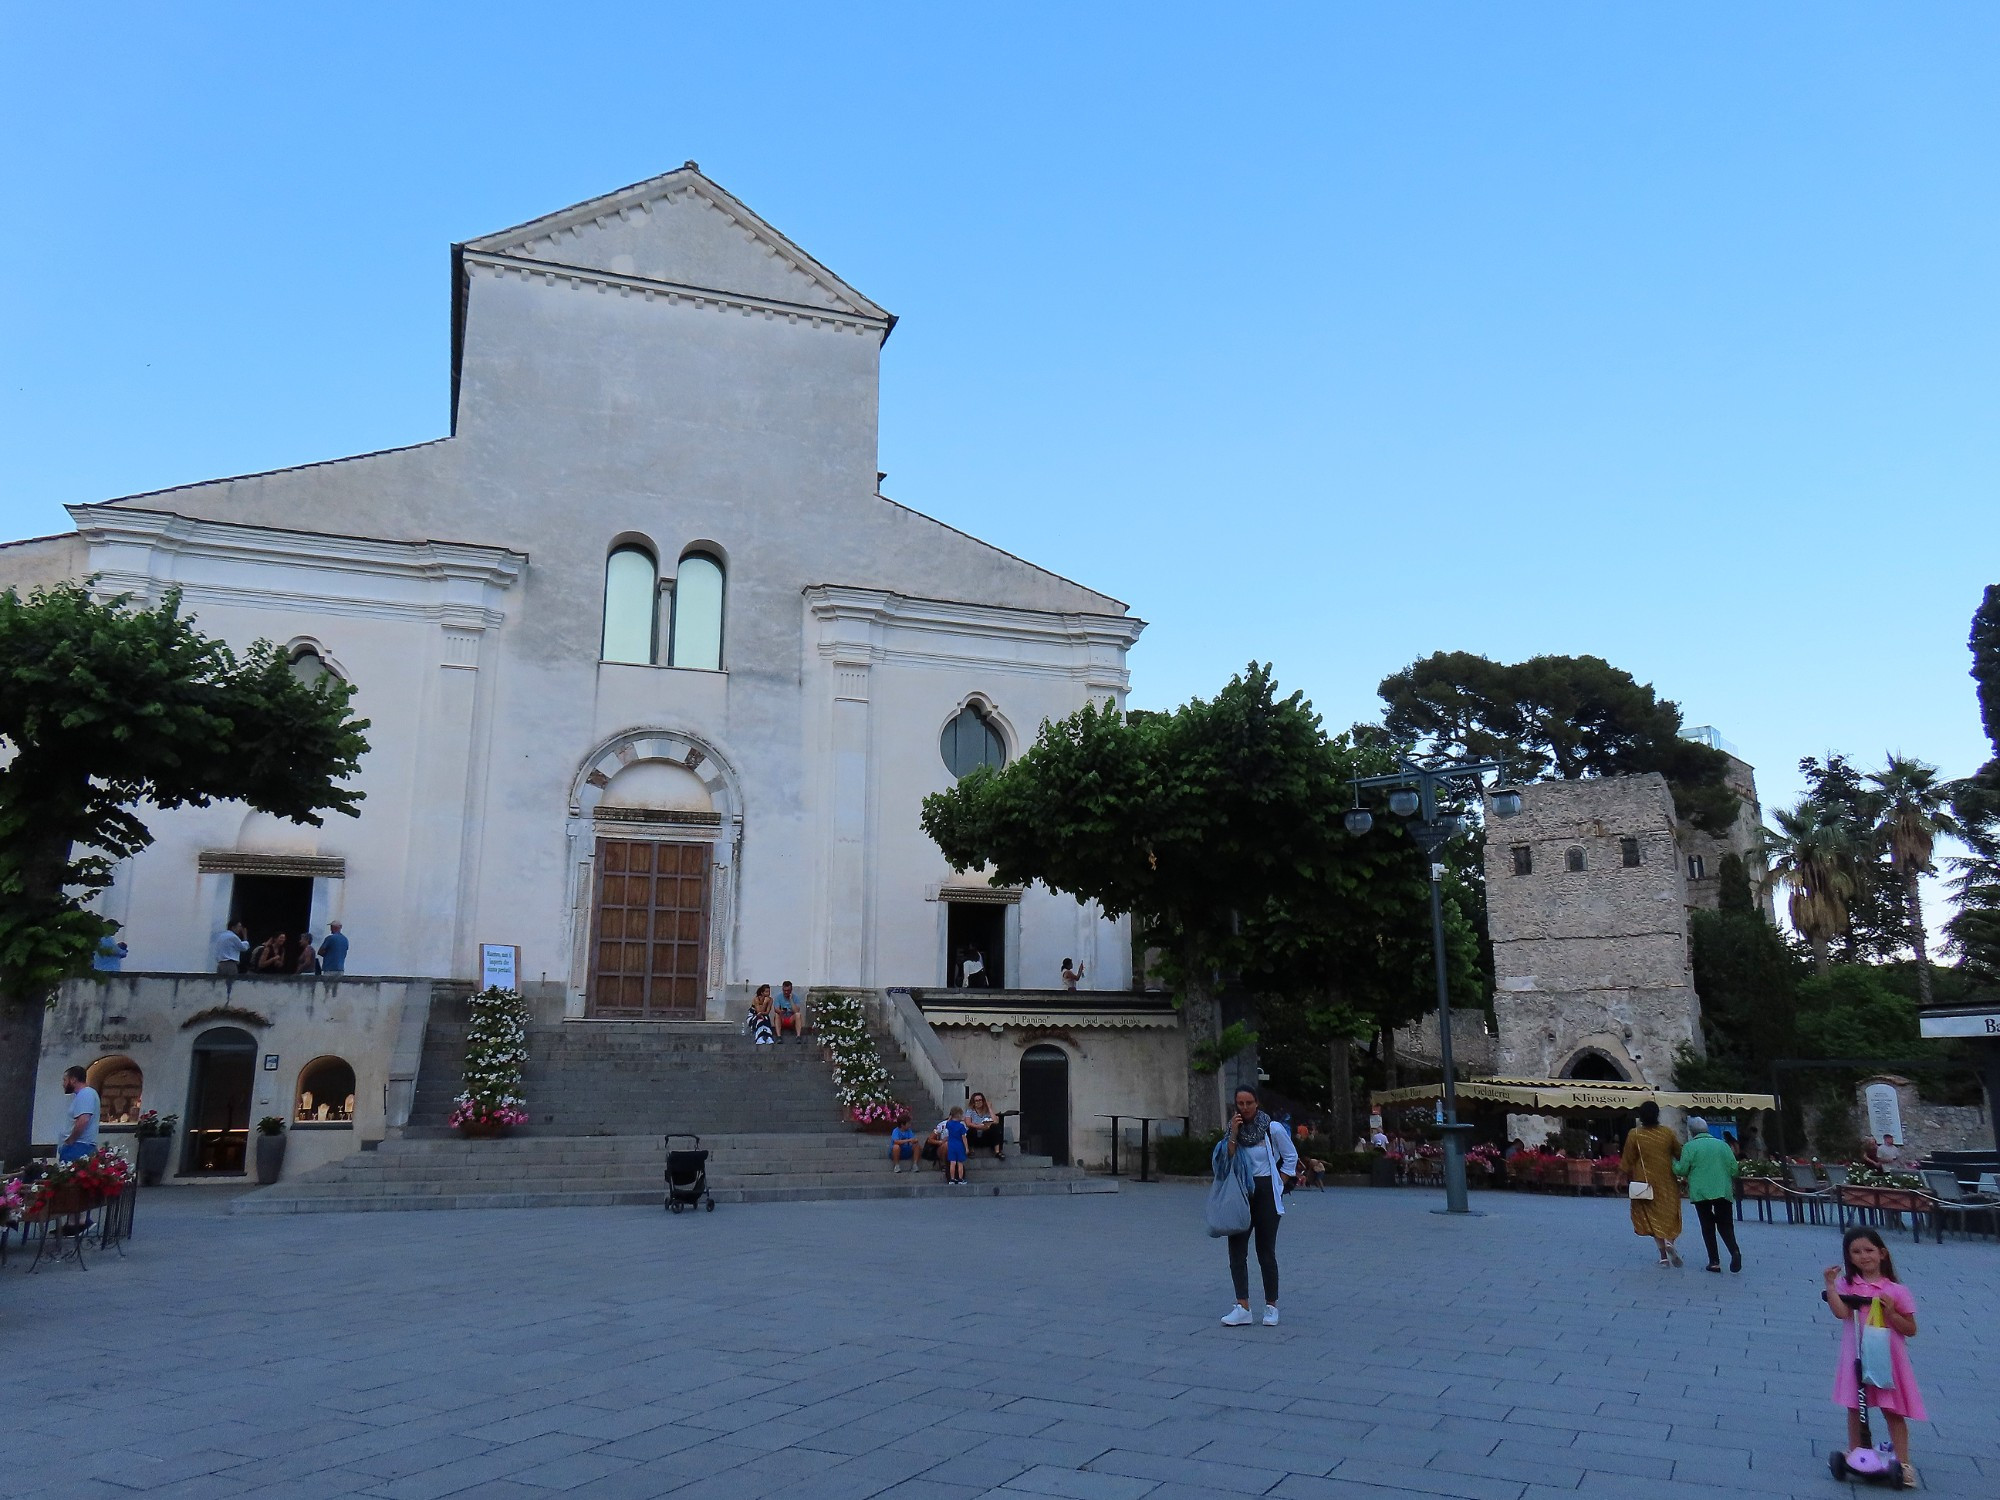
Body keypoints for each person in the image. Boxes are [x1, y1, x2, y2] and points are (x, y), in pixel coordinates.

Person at [1823, 1226, 1926, 1490]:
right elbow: (1841, 1312)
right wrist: (1831, 1286)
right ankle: (1856, 1450)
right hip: (1856, 1355)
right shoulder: (1848, 1284)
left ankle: (1903, 1462)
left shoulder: (1896, 1290)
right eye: (1856, 1252)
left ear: (1882, 1254)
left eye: (1869, 1250)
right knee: (1855, 1406)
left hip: (1887, 1357)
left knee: (1893, 1409)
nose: (1863, 1256)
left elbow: (1910, 1329)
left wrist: (1892, 1313)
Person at [1214, 1085, 1298, 1327]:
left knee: (1266, 1252)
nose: (1245, 1107)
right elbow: (1226, 1158)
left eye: (1249, 1103)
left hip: (1266, 1192)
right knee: (1237, 1250)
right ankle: (1242, 1306)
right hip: (1240, 1193)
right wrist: (1233, 1132)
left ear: (1257, 1103)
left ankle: (1271, 1305)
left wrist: (1280, 1183)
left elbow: (1290, 1156)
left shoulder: (1272, 1128)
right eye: (1240, 1103)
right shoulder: (1234, 1128)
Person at [1674, 1116, 1742, 1274]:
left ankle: (1714, 1261)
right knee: (1726, 1224)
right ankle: (1735, 1251)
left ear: (1692, 1132)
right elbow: (1734, 1169)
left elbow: (1681, 1170)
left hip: (1701, 1191)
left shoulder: (1690, 1147)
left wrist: (1672, 1163)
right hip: (1722, 1189)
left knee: (1707, 1225)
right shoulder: (1723, 1145)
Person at [1621, 1100, 1684, 1267]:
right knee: (1671, 1214)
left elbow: (1627, 1159)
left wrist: (1619, 1177)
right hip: (1667, 1181)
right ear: (1657, 1114)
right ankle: (1670, 1241)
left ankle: (1663, 1256)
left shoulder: (1634, 1134)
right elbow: (1679, 1154)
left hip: (1645, 1183)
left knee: (1652, 1218)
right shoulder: (1667, 1133)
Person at [59, 1065, 100, 1164]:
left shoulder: (86, 1094)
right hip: (77, 1146)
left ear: (73, 1080)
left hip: (79, 1147)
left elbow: (83, 1120)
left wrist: (71, 1140)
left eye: (65, 1080)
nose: (63, 1084)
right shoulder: (83, 1095)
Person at [943, 1106, 970, 1185]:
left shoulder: (949, 1124)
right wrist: (966, 1148)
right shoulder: (961, 1126)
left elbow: (947, 1123)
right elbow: (964, 1137)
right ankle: (960, 1179)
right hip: (959, 1145)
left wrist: (950, 1117)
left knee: (952, 1162)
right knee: (960, 1163)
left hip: (951, 1145)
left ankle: (952, 1179)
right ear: (959, 1115)